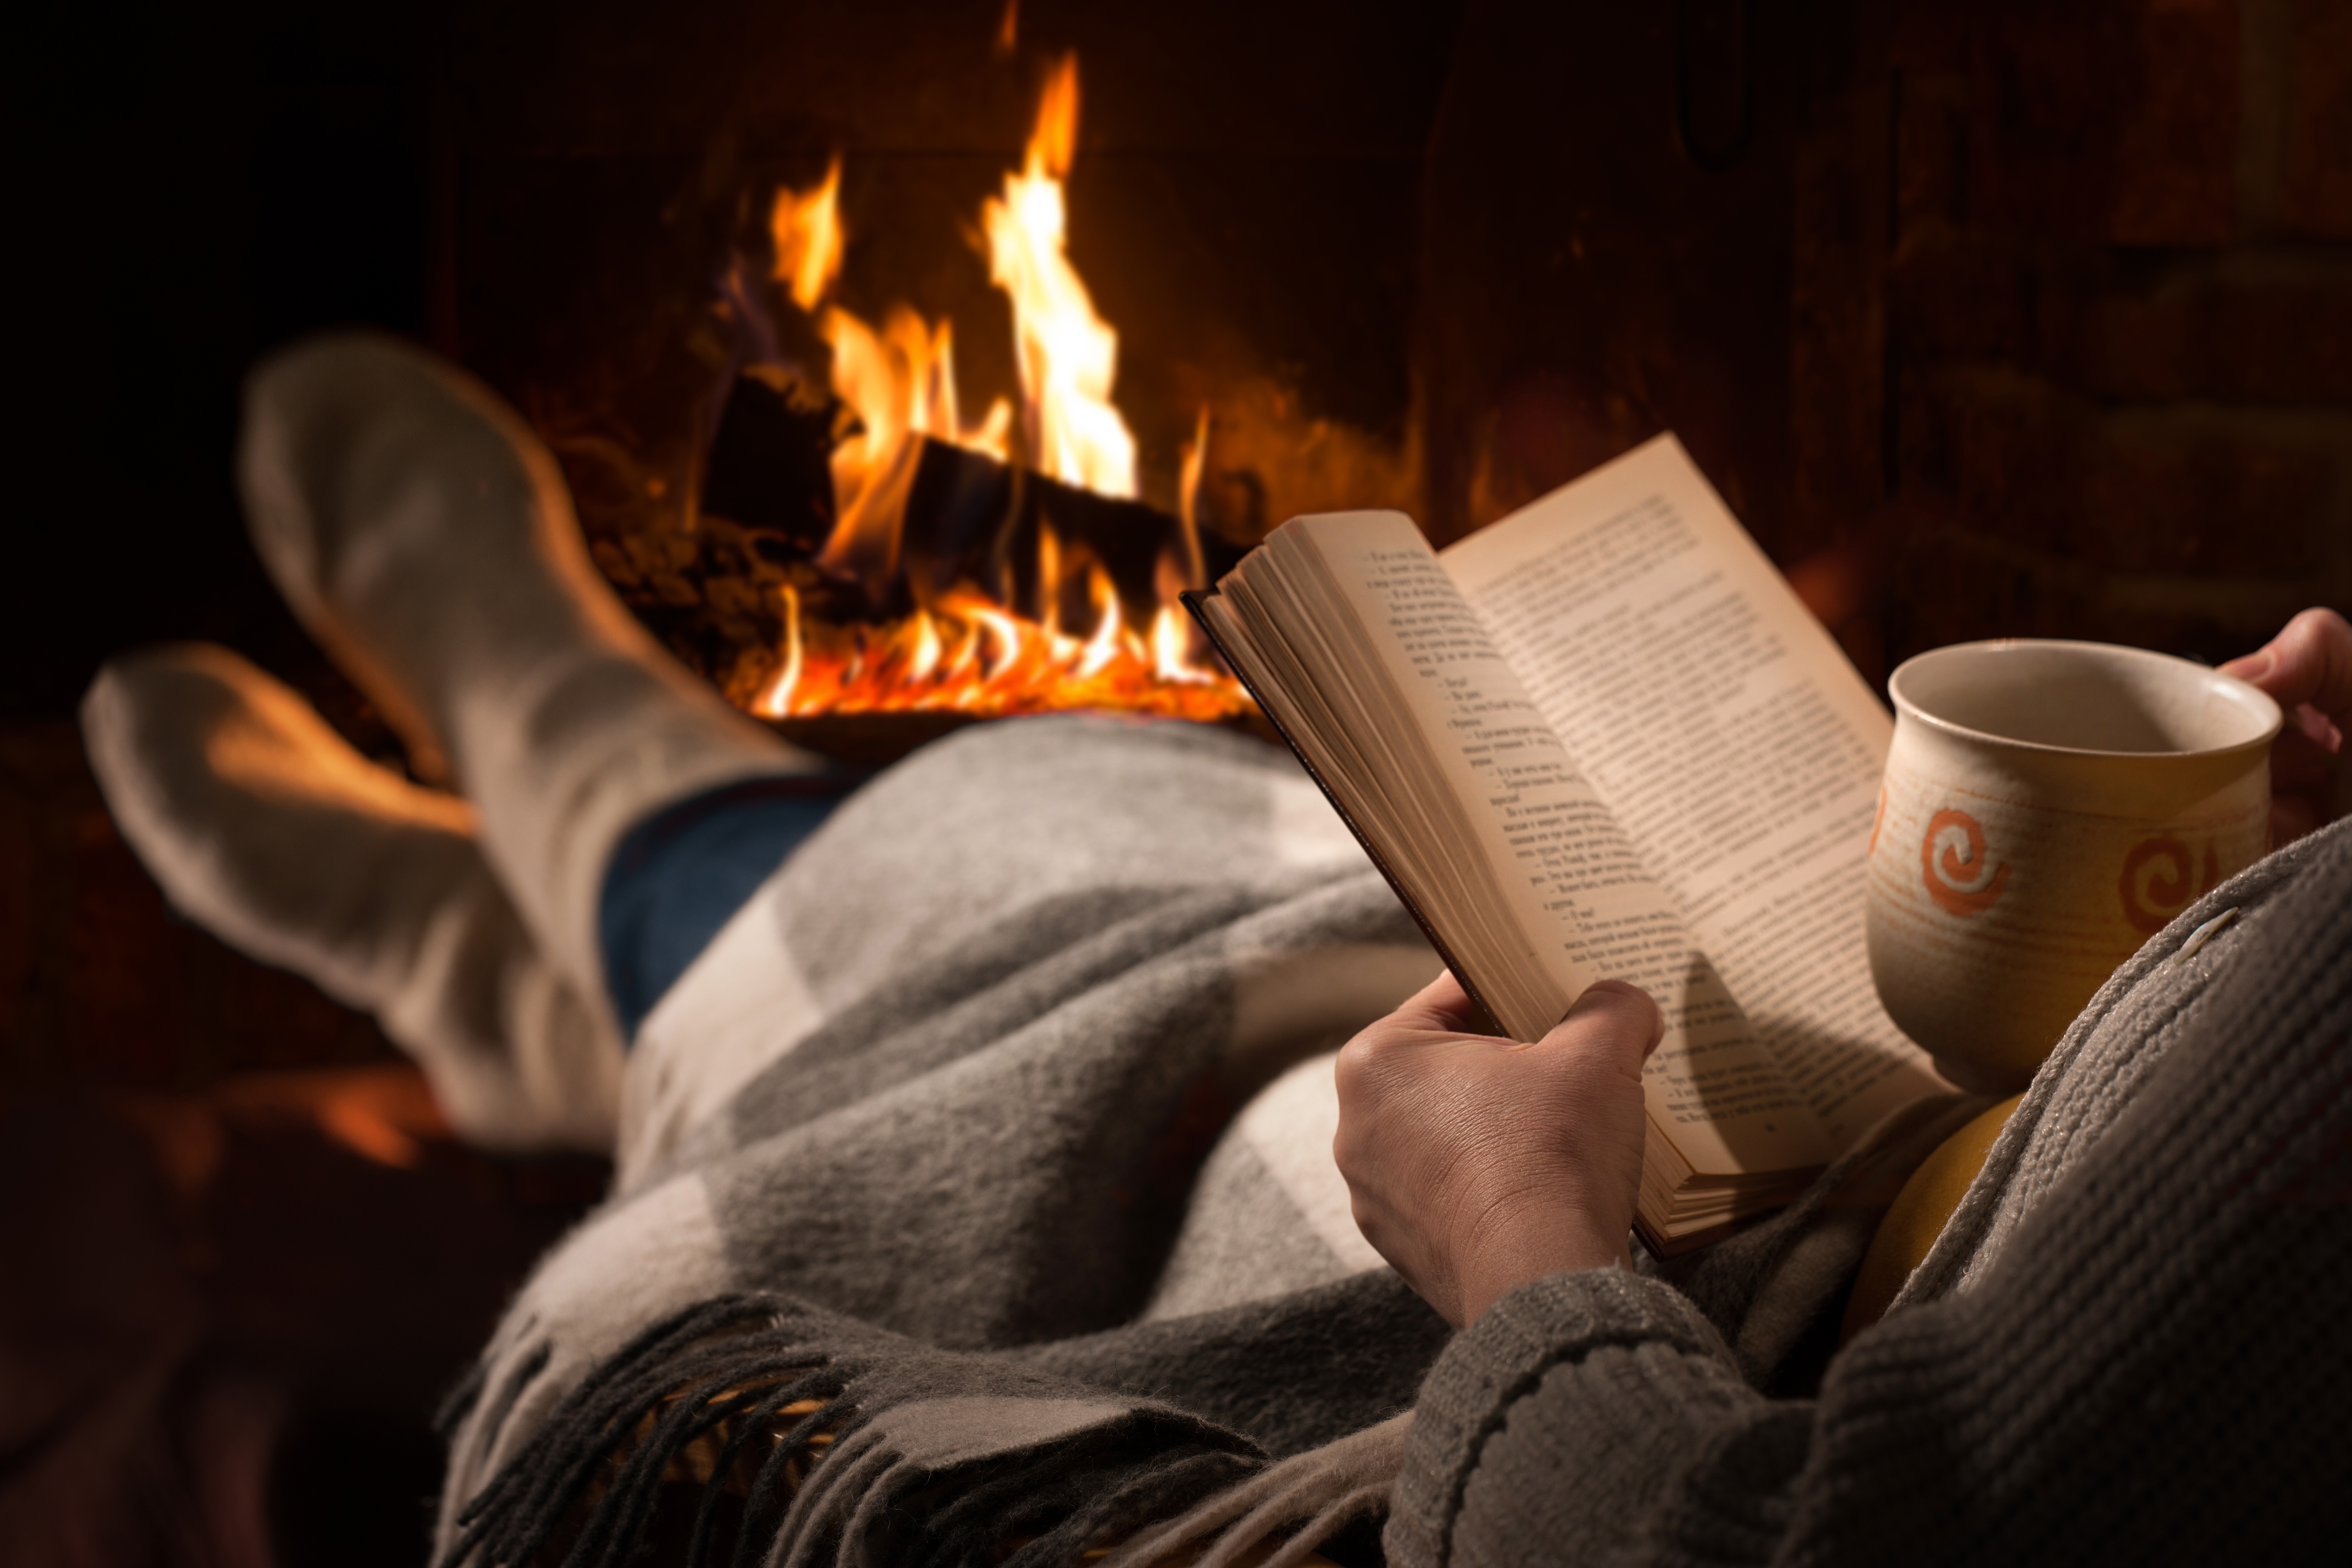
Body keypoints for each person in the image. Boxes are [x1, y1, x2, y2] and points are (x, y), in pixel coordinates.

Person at [83, 334, 2351, 1568]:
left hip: (1678, 1263)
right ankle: (556, 936)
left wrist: (1525, 1247)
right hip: (1893, 1135)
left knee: (1061, 919)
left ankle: (591, 795)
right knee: (1231, 859)